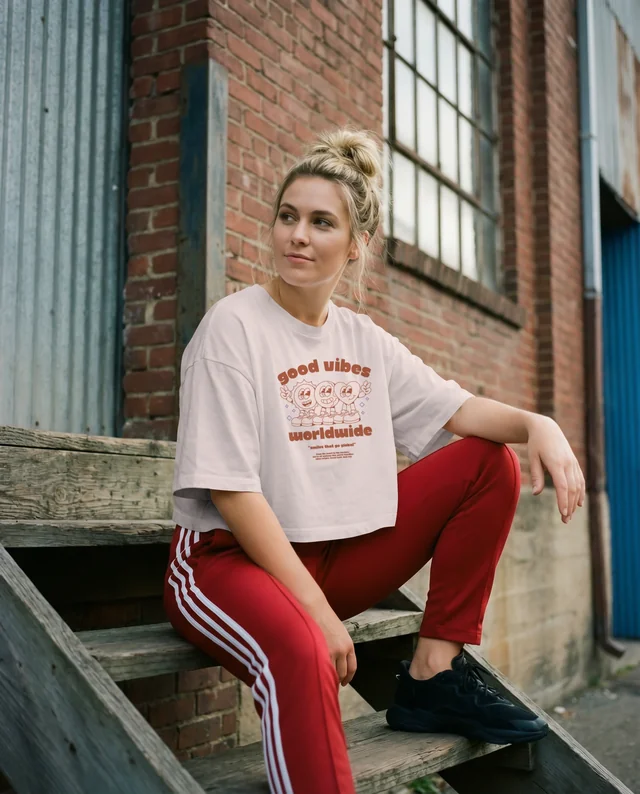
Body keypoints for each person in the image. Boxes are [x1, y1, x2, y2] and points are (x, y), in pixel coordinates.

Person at [163, 127, 585, 794]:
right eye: (288, 216)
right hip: (226, 561)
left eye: (321, 222)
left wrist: (541, 426)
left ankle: (432, 673)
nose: (298, 235)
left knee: (489, 462)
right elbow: (235, 494)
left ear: (356, 245)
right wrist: (318, 615)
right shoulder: (233, 328)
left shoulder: (364, 340)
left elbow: (462, 411)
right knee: (300, 650)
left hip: (332, 556)